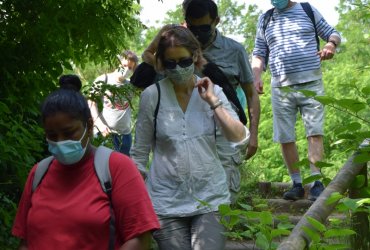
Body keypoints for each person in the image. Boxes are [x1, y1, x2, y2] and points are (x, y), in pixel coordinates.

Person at [130, 26, 250, 250]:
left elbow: (239, 137)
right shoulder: (152, 96)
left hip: (211, 198)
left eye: (184, 61)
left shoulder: (212, 91)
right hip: (165, 201)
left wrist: (213, 102)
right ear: (162, 63)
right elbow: (139, 153)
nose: (178, 69)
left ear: (195, 56)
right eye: (170, 63)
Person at [12, 75, 159, 249]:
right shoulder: (39, 173)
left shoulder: (117, 167)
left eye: (69, 133)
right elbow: (25, 242)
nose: (60, 141)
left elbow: (140, 237)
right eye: (52, 136)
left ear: (89, 126)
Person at [252, 0, 341, 201]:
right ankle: (297, 183)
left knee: (314, 132)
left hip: (311, 83)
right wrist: (257, 76)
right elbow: (259, 52)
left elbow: (333, 33)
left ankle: (316, 182)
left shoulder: (307, 10)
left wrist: (330, 45)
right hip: (280, 88)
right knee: (285, 136)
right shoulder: (266, 18)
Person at [183, 0, 261, 203]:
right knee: (191, 195)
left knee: (225, 195)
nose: (198, 33)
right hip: (188, 133)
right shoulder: (178, 51)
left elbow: (251, 94)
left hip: (226, 130)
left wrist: (253, 134)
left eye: (204, 27)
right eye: (192, 27)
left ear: (216, 21)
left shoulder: (234, 50)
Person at [89, 50, 138, 156]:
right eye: (124, 65)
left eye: (130, 68)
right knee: (104, 167)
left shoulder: (131, 85)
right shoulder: (103, 79)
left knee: (121, 169)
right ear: (118, 63)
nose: (126, 69)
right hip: (106, 134)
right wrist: (99, 124)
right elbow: (91, 103)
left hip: (125, 136)